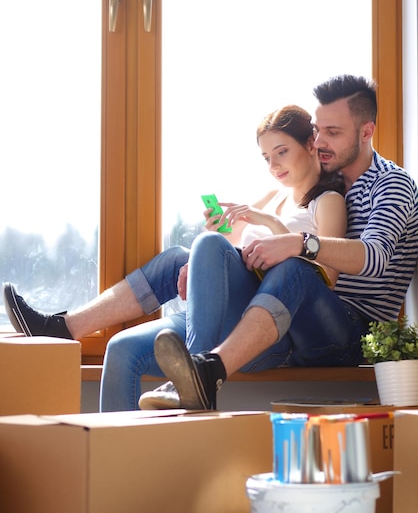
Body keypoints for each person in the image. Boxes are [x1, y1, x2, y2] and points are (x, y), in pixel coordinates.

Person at [3, 104, 347, 411]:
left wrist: (269, 225)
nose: (273, 165)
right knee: (123, 345)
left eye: (282, 152)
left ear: (310, 144)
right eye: (266, 157)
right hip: (228, 312)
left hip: (269, 328)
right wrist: (211, 246)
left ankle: (194, 373)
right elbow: (228, 247)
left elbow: (326, 277)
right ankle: (63, 328)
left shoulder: (327, 201)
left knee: (207, 245)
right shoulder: (274, 195)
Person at [150, 74, 418, 411]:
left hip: (350, 334)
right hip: (295, 324)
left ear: (366, 132)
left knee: (295, 266)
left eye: (333, 133)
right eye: (319, 130)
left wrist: (301, 243)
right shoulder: (325, 182)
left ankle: (206, 370)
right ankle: (190, 367)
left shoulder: (391, 184)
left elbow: (375, 256)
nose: (319, 142)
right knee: (188, 256)